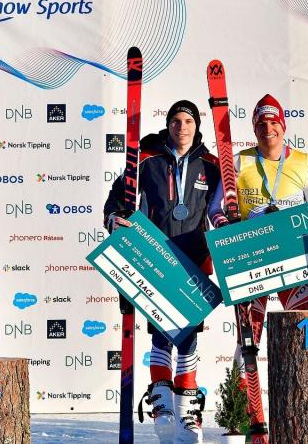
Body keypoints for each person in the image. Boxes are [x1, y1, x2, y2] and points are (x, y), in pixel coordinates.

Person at [211, 94, 308, 433]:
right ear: (254, 128)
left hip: (297, 268)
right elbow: (216, 210)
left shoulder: (306, 165)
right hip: (255, 264)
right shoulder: (237, 164)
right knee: (246, 341)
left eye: (273, 123)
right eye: (261, 124)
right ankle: (244, 418)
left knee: (304, 333)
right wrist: (228, 228)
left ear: (283, 126)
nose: (268, 129)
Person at [104, 100, 222, 444]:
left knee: (187, 335)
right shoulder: (145, 160)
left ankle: (187, 411)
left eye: (187, 121)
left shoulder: (213, 166)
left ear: (196, 126)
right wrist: (114, 219)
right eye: (175, 121)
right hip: (156, 259)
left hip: (194, 262)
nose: (181, 126)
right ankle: (162, 406)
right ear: (168, 125)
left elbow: (219, 211)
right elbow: (117, 202)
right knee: (160, 334)